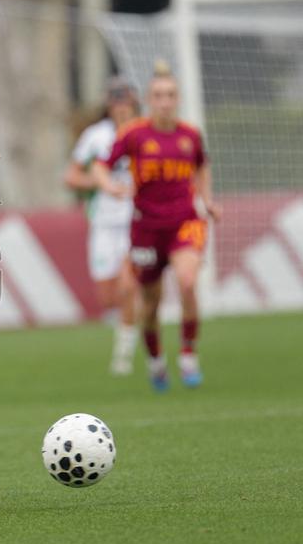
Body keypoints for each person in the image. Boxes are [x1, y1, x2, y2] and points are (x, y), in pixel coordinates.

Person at [93, 61, 221, 392]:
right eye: (159, 95)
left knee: (188, 280)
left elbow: (202, 167)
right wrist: (108, 186)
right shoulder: (133, 134)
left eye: (171, 95)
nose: (165, 101)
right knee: (149, 303)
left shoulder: (190, 135)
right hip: (146, 229)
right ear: (149, 100)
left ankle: (188, 354)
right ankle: (156, 360)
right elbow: (100, 166)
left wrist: (206, 200)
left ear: (177, 98)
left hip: (184, 223)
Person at [64, 78, 140, 375]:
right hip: (104, 222)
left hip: (136, 220)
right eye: (116, 101)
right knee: (107, 296)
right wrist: (99, 183)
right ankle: (133, 322)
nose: (121, 107)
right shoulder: (95, 136)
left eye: (126, 101)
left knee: (128, 285)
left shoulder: (144, 133)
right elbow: (71, 177)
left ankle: (125, 353)